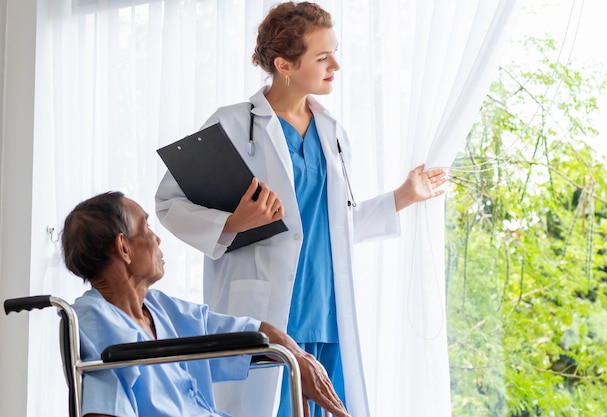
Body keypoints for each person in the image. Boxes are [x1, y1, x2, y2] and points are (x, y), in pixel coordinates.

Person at [155, 2, 447, 417]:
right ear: (284, 64)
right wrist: (231, 223)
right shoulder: (234, 125)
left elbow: (334, 227)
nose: (336, 66)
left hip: (327, 312)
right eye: (323, 57)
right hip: (269, 312)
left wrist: (403, 195)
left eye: (335, 52)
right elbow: (168, 203)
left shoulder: (333, 132)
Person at [61, 191, 350, 417]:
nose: (157, 238)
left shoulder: (159, 308)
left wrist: (300, 358)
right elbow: (103, 409)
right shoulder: (94, 320)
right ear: (124, 247)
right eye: (147, 227)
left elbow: (255, 332)